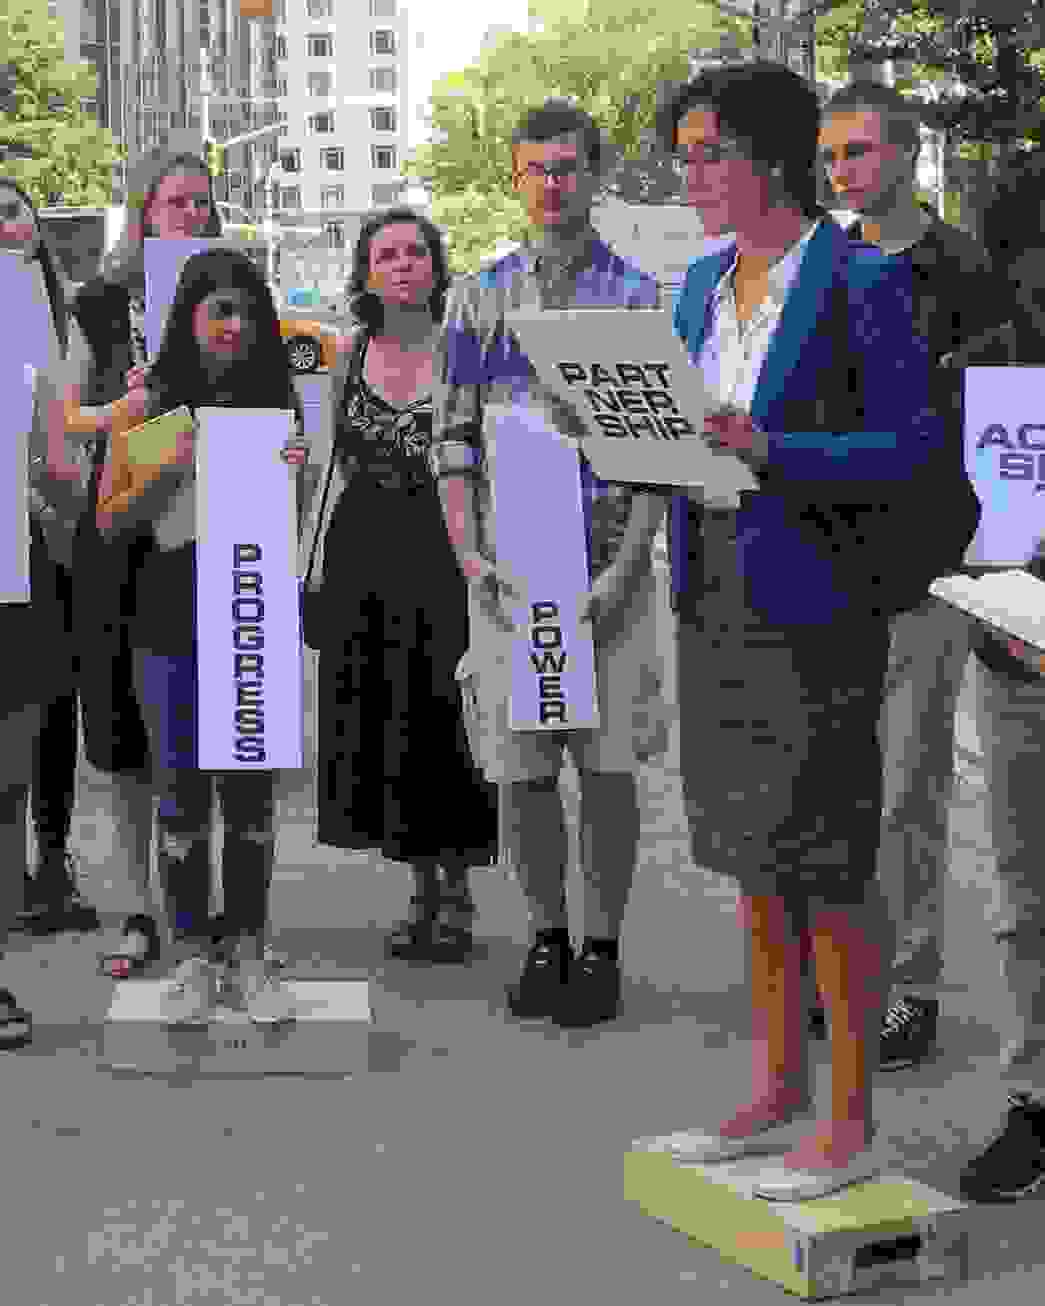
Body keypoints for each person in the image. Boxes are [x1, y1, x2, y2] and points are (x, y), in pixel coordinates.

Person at [657, 61, 974, 1201]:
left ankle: (846, 1120)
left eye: (707, 154)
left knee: (828, 858)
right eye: (682, 154)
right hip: (711, 591)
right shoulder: (695, 287)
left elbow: (911, 453)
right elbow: (688, 435)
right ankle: (774, 1085)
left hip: (818, 600)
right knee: (751, 852)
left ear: (769, 160)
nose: (688, 174)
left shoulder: (857, 281)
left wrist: (771, 450)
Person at [432, 99, 667, 1029]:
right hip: (511, 575)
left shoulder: (638, 297)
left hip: (608, 570)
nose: (551, 184)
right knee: (522, 773)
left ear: (595, 175)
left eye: (567, 166)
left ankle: (602, 943)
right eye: (534, 168)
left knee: (606, 771)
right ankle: (543, 935)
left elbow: (655, 451)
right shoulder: (477, 297)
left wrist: (628, 566)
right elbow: (450, 440)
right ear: (515, 178)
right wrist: (467, 555)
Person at [814, 81, 993, 1068]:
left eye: (859, 153)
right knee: (833, 785)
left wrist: (991, 561)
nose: (843, 173)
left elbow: (999, 417)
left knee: (907, 790)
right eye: (832, 157)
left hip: (927, 566)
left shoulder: (964, 267)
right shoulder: (822, 265)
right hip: (822, 564)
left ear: (909, 156)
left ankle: (909, 986)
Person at [20, 149, 223, 987]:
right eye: (172, 202)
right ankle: (140, 910)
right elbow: (58, 420)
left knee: (201, 739)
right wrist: (121, 409)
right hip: (110, 541)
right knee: (123, 741)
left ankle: (206, 913)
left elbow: (270, 406)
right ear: (141, 212)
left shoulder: (230, 298)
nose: (187, 216)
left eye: (201, 203)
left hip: (201, 542)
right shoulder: (96, 305)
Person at [96, 248, 309, 1025]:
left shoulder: (277, 406)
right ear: (188, 318)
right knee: (181, 799)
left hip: (253, 617)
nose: (234, 324)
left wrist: (302, 471)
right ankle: (191, 956)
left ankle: (248, 952)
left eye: (248, 311)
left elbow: (301, 523)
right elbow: (109, 518)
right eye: (219, 309)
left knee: (249, 801)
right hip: (170, 625)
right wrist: (163, 469)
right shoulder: (149, 405)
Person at [301, 208, 499, 962]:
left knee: (446, 712)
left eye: (417, 251)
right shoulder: (348, 357)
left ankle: (458, 890)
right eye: (386, 253)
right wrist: (311, 566)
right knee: (388, 719)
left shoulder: (465, 349)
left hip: (445, 549)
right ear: (365, 271)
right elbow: (330, 468)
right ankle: (421, 887)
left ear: (436, 264)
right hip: (363, 551)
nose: (403, 263)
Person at [933, 166, 1045, 1203]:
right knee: (1023, 905)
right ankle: (1033, 1102)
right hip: (1018, 671)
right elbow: (978, 529)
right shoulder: (989, 374)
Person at [0, 179, 89, 1046]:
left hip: (30, 564)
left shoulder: (43, 317)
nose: (6, 220)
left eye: (15, 206)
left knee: (10, 772)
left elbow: (59, 462)